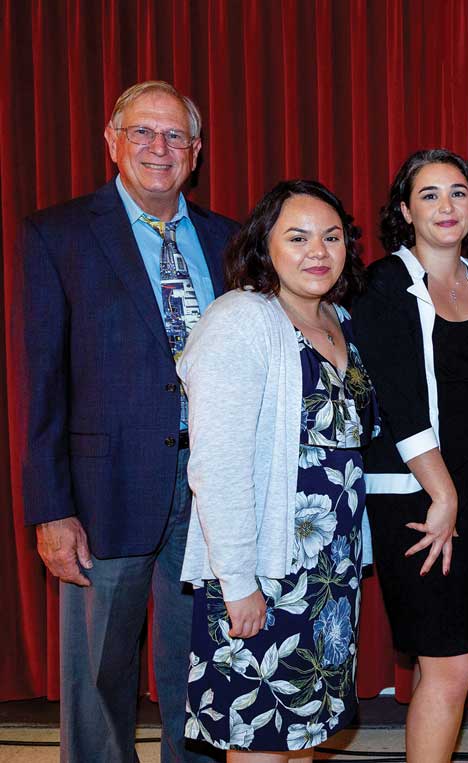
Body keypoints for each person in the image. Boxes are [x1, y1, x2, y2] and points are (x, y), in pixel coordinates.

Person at [16, 80, 237, 763]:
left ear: (195, 153)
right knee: (98, 677)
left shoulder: (229, 240)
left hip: (206, 490)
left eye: (175, 135)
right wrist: (50, 508)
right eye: (142, 131)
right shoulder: (56, 235)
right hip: (102, 489)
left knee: (196, 668)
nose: (158, 147)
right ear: (112, 141)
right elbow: (40, 379)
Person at [177, 180, 377, 759]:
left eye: (332, 237)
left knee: (304, 735)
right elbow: (217, 466)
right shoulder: (241, 319)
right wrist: (238, 582)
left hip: (328, 577)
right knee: (261, 742)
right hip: (262, 570)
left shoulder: (337, 319)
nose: (318, 250)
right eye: (298, 237)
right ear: (265, 246)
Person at [354, 149, 468, 763]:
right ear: (405, 210)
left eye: (457, 193)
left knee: (442, 660)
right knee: (452, 667)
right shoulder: (384, 285)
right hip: (420, 501)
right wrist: (444, 496)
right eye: (429, 195)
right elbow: (397, 401)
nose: (445, 207)